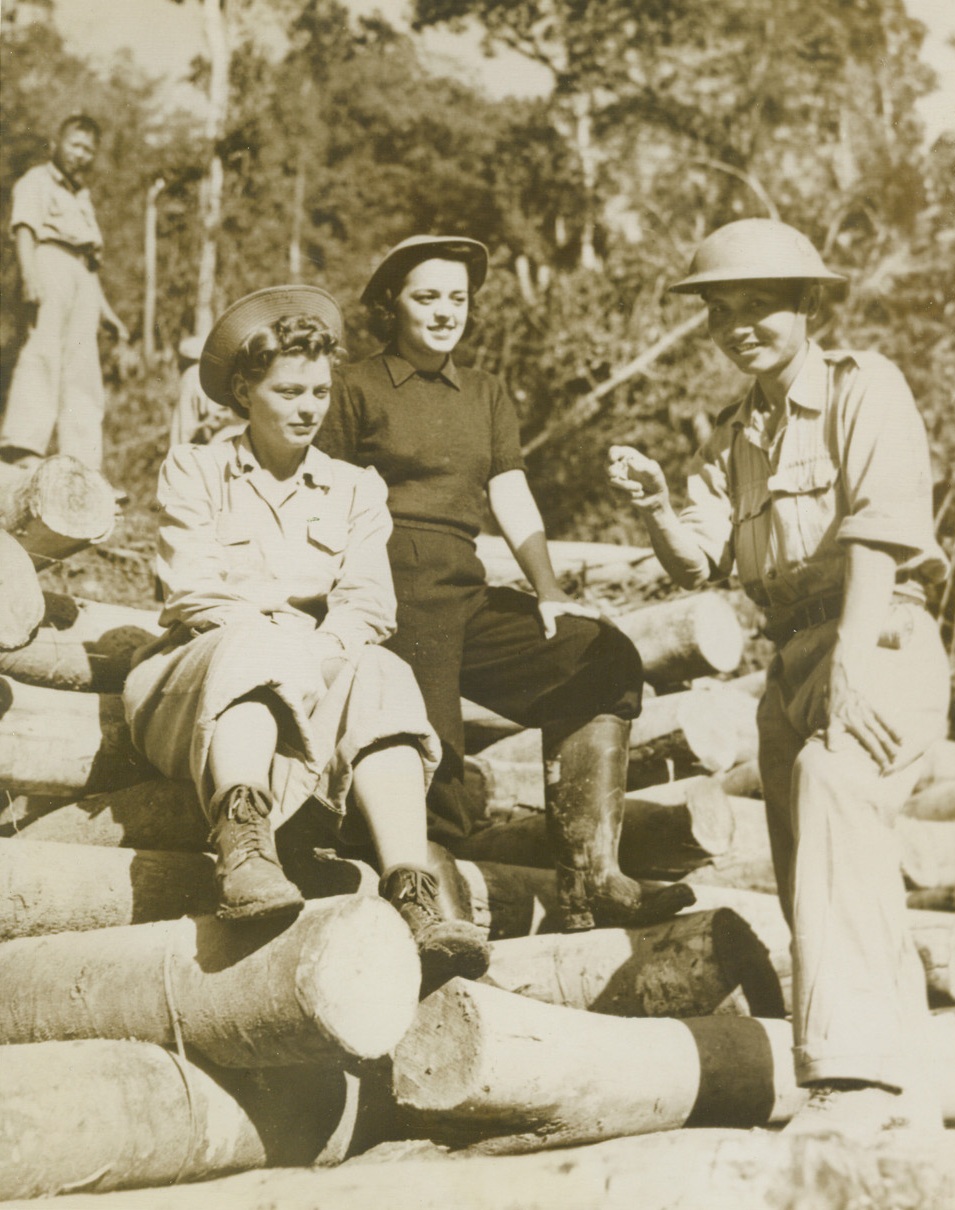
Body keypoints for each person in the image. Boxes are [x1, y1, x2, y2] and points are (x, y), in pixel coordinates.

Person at [607, 218, 949, 1135]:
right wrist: (656, 508)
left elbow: (878, 533)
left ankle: (855, 1082)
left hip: (878, 636)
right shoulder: (734, 436)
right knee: (820, 875)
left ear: (807, 307)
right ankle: (906, 1088)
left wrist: (852, 663)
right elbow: (700, 563)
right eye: (721, 313)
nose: (738, 327)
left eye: (759, 306)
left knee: (836, 786)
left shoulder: (863, 388)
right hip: (791, 660)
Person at [317, 234, 692, 934]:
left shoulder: (485, 391)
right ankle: (431, 922)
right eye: (427, 297)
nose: (445, 312)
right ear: (392, 304)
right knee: (433, 759)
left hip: (463, 587)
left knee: (600, 658)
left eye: (458, 299)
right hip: (388, 589)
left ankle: (591, 881)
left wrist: (548, 590)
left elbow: (509, 490)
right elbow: (320, 494)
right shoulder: (354, 387)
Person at [123, 284, 489, 983]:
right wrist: (295, 642)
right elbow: (197, 592)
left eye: (319, 391)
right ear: (244, 391)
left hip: (312, 673)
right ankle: (244, 844)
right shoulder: (196, 469)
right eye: (288, 391)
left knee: (383, 670)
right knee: (253, 640)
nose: (308, 408)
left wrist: (324, 650)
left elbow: (367, 603)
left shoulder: (355, 488)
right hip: (195, 682)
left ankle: (410, 889)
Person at [0, 114, 129, 471]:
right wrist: (29, 274)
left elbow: (90, 265)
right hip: (48, 261)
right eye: (75, 145)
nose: (80, 155)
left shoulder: (82, 197)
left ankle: (81, 460)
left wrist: (108, 314)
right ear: (55, 145)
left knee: (83, 367)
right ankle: (23, 445)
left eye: (88, 150)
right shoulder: (37, 181)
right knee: (42, 351)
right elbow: (24, 228)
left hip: (82, 277)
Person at [169, 334, 243, 447]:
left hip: (210, 445)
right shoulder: (225, 373)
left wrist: (178, 451)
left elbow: (183, 427)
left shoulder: (191, 375)